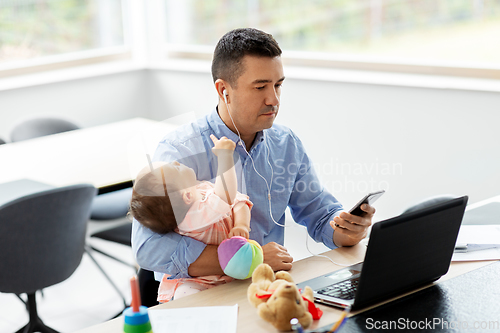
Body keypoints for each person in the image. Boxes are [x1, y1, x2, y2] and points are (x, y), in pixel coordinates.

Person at [132, 27, 375, 284]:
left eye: (278, 85)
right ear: (223, 90)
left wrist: (345, 231)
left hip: (266, 288)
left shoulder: (286, 143)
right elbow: (148, 248)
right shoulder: (179, 152)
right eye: (260, 87)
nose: (274, 99)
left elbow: (320, 213)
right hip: (203, 297)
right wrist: (250, 259)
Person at [130, 135, 252, 301]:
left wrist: (242, 224)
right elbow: (227, 197)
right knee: (186, 298)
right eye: (174, 168)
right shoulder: (191, 219)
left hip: (227, 274)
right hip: (198, 281)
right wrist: (225, 157)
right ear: (186, 195)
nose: (175, 162)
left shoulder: (202, 190)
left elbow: (238, 200)